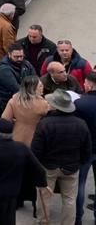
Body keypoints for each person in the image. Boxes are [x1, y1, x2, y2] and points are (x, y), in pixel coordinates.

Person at [0, 117, 49, 225]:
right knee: (8, 221)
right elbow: (39, 169)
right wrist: (43, 184)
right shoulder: (21, 148)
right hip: (10, 194)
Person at [31, 89, 92, 225]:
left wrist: (37, 166)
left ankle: (44, 221)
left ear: (54, 105)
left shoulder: (44, 124)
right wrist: (79, 162)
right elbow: (87, 149)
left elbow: (36, 150)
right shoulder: (81, 124)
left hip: (48, 166)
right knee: (70, 199)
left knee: (44, 197)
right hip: (71, 166)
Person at [1, 75, 50, 212]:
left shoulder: (15, 100)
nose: (42, 88)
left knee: (16, 171)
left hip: (17, 138)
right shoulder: (42, 104)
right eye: (40, 86)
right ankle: (33, 200)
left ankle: (17, 200)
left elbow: (5, 119)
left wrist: (17, 121)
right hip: (35, 140)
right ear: (33, 88)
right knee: (32, 171)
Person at [72, 73, 96, 225]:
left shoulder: (80, 103)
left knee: (79, 185)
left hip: (84, 149)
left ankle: (78, 219)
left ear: (90, 85)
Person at [0, 42, 37, 106]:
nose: (19, 59)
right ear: (9, 54)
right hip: (8, 101)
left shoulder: (27, 64)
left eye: (21, 56)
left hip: (24, 97)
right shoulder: (3, 69)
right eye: (16, 57)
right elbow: (15, 88)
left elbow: (35, 80)